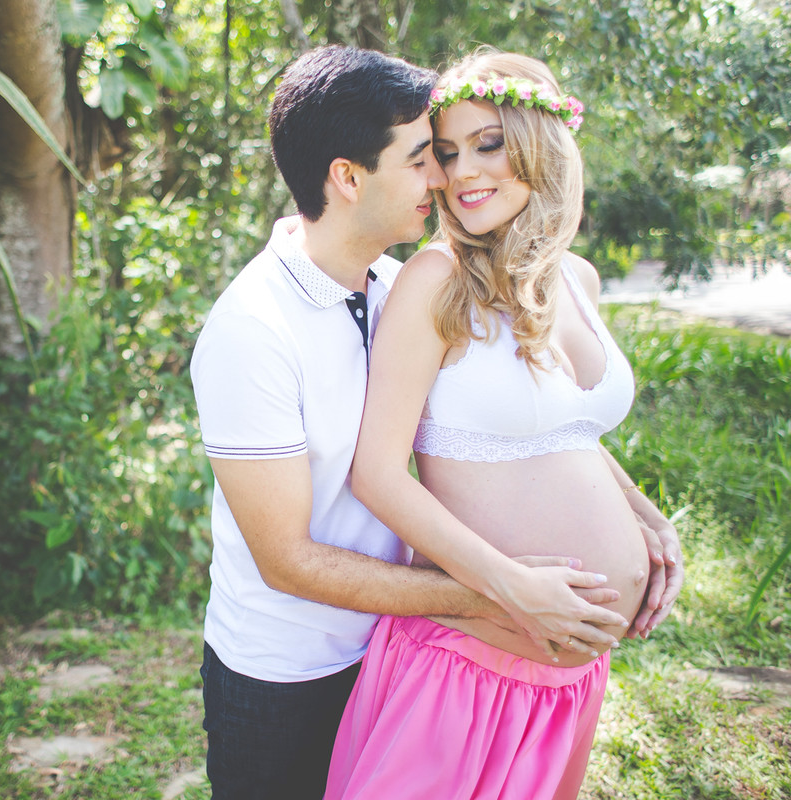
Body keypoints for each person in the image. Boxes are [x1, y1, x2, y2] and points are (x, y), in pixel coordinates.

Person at [189, 45, 637, 800]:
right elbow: (286, 560)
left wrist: (638, 514)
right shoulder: (252, 328)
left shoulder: (403, 281)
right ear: (348, 176)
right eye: (426, 157)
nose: (447, 177)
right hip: (291, 669)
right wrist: (495, 596)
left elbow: (538, 419)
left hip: (399, 644)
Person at [323, 49, 684, 800]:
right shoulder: (436, 280)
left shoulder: (574, 279)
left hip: (567, 682)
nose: (462, 173)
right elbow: (378, 473)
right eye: (446, 154)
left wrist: (646, 518)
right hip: (466, 666)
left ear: (540, 141)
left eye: (488, 144)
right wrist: (515, 587)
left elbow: (564, 428)